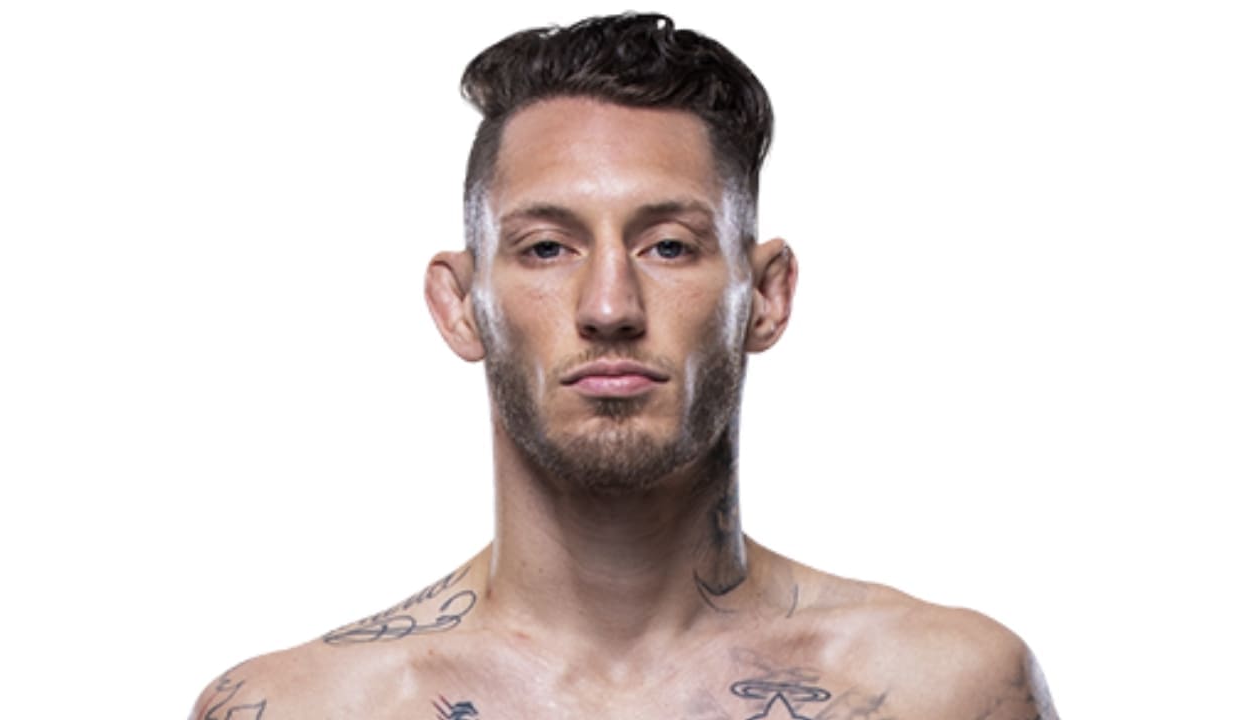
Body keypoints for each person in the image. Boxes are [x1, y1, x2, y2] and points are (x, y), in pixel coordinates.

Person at [191, 13, 1057, 720]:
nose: (609, 306)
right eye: (547, 247)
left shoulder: (945, 692)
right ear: (460, 305)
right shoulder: (302, 708)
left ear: (766, 295)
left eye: (669, 245)